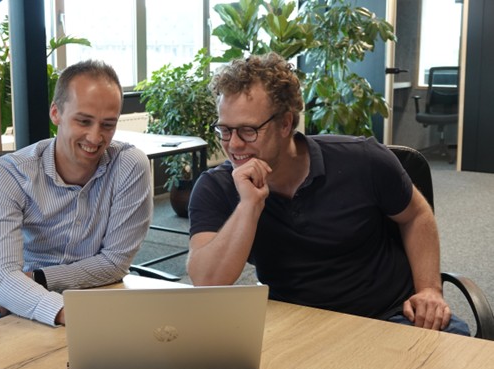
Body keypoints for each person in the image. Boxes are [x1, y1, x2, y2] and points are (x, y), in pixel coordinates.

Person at [187, 52, 469, 335]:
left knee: (458, 359)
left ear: (285, 124)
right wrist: (248, 206)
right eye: (224, 130)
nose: (233, 144)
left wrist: (430, 289)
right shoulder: (217, 186)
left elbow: (416, 215)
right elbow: (207, 280)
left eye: (248, 130)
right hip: (297, 324)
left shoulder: (363, 159)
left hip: (389, 316)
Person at [0, 59, 152, 327]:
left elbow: (114, 263)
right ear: (56, 113)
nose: (95, 137)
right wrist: (64, 309)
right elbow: (2, 280)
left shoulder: (129, 166)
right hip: (21, 300)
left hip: (98, 294)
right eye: (84, 121)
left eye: (107, 125)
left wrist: (38, 277)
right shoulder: (10, 174)